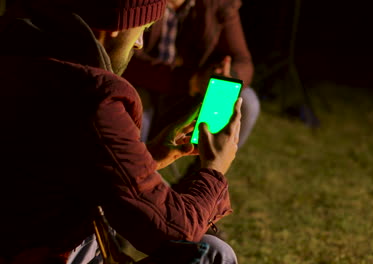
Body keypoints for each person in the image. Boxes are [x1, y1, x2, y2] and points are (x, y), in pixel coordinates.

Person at [0, 0, 241, 263]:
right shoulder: (91, 95)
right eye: (144, 29)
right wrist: (214, 170)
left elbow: (68, 166)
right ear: (117, 25)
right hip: (40, 252)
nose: (139, 43)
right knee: (213, 254)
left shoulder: (21, 50)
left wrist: (148, 156)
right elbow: (172, 230)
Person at [122, 0, 260, 148]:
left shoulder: (218, 3)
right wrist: (191, 80)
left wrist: (226, 76)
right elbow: (127, 56)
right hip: (143, 84)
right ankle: (133, 167)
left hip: (189, 97)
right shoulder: (139, 3)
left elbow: (243, 60)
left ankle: (209, 168)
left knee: (247, 102)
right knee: (136, 101)